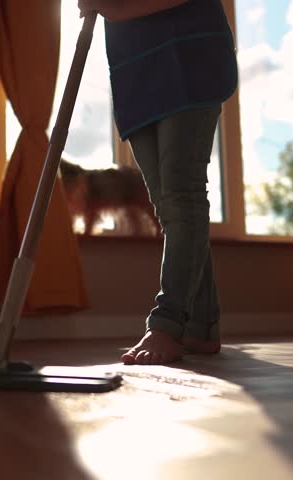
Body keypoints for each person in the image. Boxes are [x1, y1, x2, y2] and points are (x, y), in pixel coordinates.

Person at [78, 0, 238, 365]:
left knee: (183, 196)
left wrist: (112, 8)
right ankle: (201, 325)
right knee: (170, 208)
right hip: (135, 68)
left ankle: (167, 323)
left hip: (189, 57)